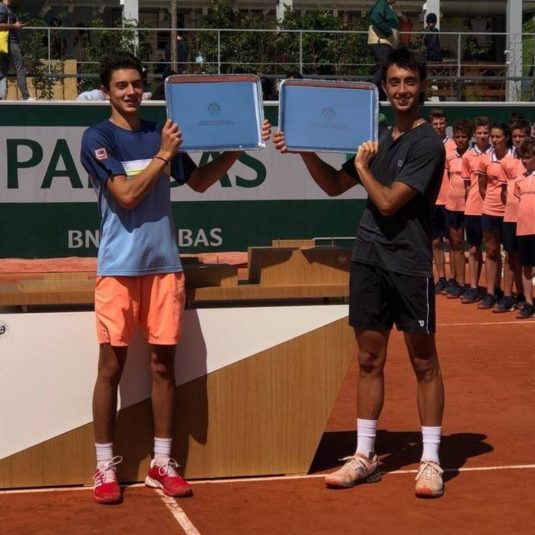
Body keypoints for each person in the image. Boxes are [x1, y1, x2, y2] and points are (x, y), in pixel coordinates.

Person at [80, 51, 270, 505]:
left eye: (137, 84)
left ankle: (162, 463)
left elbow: (201, 181)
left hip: (165, 268)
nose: (131, 92)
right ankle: (104, 467)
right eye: (121, 85)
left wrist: (239, 145)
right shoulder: (97, 137)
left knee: (164, 367)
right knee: (111, 369)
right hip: (118, 272)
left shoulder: (159, 133)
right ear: (106, 92)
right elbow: (125, 196)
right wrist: (164, 155)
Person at [274, 46, 446, 498]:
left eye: (410, 81)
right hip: (369, 257)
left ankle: (430, 459)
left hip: (409, 262)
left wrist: (365, 166)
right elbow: (333, 186)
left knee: (423, 361)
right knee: (370, 360)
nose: (403, 89)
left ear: (422, 86)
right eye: (395, 82)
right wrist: (304, 149)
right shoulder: (378, 137)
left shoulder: (427, 142)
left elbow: (389, 201)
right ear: (384, 88)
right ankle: (365, 455)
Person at [495, 121, 529, 312]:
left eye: (521, 136)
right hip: (510, 217)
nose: (517, 140)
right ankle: (509, 295)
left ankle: (525, 296)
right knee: (510, 256)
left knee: (526, 260)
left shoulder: (531, 159)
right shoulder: (506, 161)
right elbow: (502, 191)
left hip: (529, 219)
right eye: (514, 136)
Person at [476, 123, 511, 309]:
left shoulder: (514, 157)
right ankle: (491, 292)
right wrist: (491, 202)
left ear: (506, 137)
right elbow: (483, 187)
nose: (495, 140)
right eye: (493, 137)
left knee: (510, 253)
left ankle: (507, 295)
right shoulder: (485, 159)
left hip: (510, 213)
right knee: (491, 251)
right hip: (489, 210)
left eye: (498, 136)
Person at [460, 116, 492, 304]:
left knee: (492, 250)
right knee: (473, 249)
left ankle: (491, 290)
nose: (482, 136)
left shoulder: (496, 155)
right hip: (472, 209)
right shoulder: (467, 157)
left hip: (492, 210)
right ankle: (473, 287)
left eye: (485, 133)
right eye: (479, 133)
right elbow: (466, 186)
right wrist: (469, 205)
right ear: (474, 134)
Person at [443, 119, 474, 298]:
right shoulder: (450, 155)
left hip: (470, 207)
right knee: (455, 244)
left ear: (469, 137)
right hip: (452, 206)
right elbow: (449, 175)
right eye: (457, 137)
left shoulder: (473, 155)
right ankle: (458, 282)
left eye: (463, 137)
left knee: (471, 246)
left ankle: (471, 285)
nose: (460, 140)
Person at [429, 109, 456, 294]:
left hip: (451, 203)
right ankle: (442, 278)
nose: (439, 127)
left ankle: (455, 279)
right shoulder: (427, 146)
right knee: (436, 242)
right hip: (431, 202)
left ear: (446, 125)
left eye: (441, 123)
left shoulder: (455, 146)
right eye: (435, 124)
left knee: (454, 242)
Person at [514, 138, 535, 318]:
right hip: (523, 229)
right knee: (526, 266)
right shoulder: (519, 179)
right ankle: (529, 303)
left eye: (528, 157)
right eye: (522, 157)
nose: (525, 160)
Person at [0, 0, 32, 100]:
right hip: (9, 43)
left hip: (7, 43)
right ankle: (26, 97)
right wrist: (15, 26)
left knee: (2, 71)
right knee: (20, 68)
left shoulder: (11, 8)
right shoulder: (2, 8)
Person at [367, 0, 399, 100]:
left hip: (387, 43)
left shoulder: (388, 6)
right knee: (387, 66)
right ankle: (370, 92)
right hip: (380, 41)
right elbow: (376, 18)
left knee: (386, 68)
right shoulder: (382, 3)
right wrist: (388, 32)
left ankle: (380, 96)